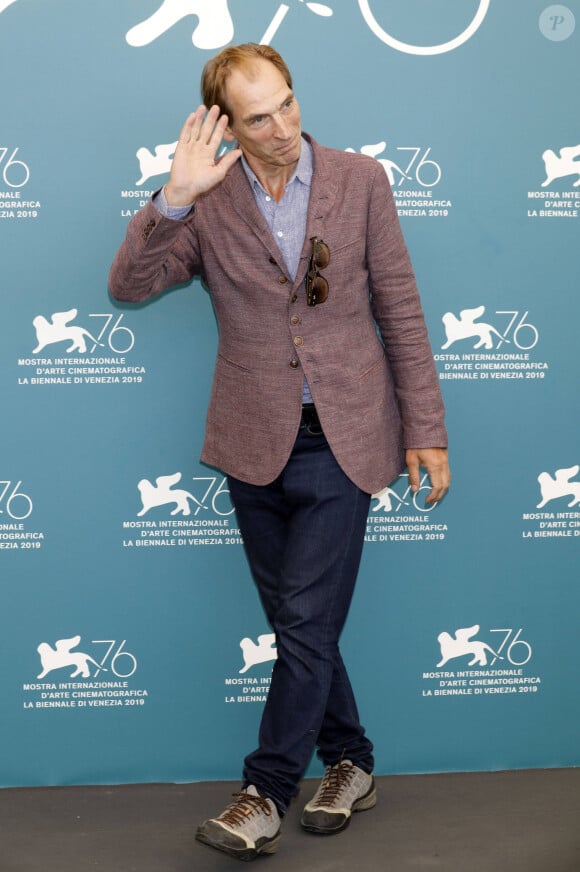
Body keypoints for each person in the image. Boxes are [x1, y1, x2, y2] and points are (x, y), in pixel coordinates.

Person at [110, 43, 450, 862]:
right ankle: (353, 763)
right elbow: (128, 286)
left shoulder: (362, 180)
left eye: (289, 104)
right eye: (258, 117)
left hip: (347, 434)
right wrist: (175, 200)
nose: (283, 127)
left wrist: (425, 428)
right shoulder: (211, 199)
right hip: (252, 439)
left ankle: (264, 790)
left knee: (301, 619)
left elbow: (400, 309)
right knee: (304, 626)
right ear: (226, 122)